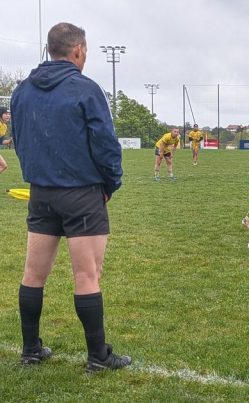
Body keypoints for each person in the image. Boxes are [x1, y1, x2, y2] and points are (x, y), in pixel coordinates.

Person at [10, 22, 131, 371]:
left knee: (33, 275)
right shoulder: (86, 89)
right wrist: (110, 185)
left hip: (41, 194)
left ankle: (31, 350)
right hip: (82, 194)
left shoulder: (21, 92)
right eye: (86, 51)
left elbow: (19, 139)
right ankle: (98, 357)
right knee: (87, 276)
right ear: (77, 50)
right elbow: (107, 146)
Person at [0, 107, 12, 173]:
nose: (8, 115)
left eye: (9, 114)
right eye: (5, 113)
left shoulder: (4, 126)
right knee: (3, 166)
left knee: (4, 166)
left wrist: (11, 140)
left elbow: (1, 141)